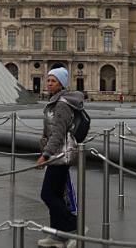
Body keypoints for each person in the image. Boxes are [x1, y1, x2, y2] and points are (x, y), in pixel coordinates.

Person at [35, 67, 84, 248]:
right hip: (58, 153)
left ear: (61, 83)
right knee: (55, 194)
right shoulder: (56, 101)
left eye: (53, 81)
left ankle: (73, 228)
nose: (48, 83)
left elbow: (57, 134)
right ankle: (57, 235)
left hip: (60, 154)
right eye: (48, 80)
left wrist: (45, 155)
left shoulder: (62, 104)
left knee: (47, 194)